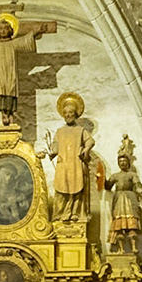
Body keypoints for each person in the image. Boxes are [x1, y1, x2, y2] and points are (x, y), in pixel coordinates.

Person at [48, 93, 101, 223]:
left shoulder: (81, 130)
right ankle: (60, 214)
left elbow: (90, 141)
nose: (68, 115)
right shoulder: (60, 131)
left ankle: (76, 213)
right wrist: (53, 152)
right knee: (61, 189)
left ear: (76, 114)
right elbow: (56, 145)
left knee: (77, 190)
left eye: (71, 113)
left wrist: (86, 149)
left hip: (76, 164)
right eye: (65, 113)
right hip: (63, 165)